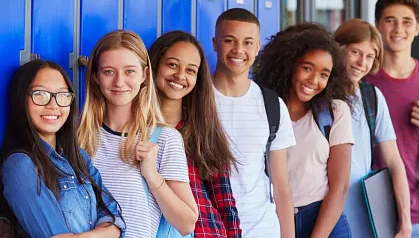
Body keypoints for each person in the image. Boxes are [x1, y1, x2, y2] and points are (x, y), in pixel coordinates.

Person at [78, 30, 198, 238]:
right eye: (108, 71)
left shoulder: (164, 139)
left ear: (144, 76)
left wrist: (152, 176)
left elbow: (187, 224)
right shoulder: (77, 135)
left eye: (129, 71)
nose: (119, 82)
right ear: (96, 76)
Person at [1, 59, 125, 237]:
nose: (53, 105)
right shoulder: (21, 165)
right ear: (22, 99)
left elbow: (115, 218)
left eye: (62, 95)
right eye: (40, 95)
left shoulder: (79, 157)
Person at [254, 22, 354, 238]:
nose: (314, 80)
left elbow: (339, 187)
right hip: (273, 218)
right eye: (307, 68)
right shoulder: (262, 107)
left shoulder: (334, 112)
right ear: (289, 65)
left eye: (323, 74)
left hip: (323, 220)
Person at [366, 0, 419, 237]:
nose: (398, 29)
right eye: (390, 20)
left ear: (418, 28)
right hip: (372, 211)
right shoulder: (364, 82)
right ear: (378, 25)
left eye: (406, 22)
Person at [211, 8, 296, 238]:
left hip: (262, 229)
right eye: (230, 40)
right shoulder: (195, 99)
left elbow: (281, 186)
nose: (239, 50)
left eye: (248, 42)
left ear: (257, 47)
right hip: (209, 229)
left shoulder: (272, 105)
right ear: (215, 43)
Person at [148, 30, 241, 238]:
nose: (180, 76)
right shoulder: (133, 129)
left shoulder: (203, 129)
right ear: (154, 65)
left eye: (191, 70)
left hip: (206, 232)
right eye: (172, 64)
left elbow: (224, 201)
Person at [335, 18, 412, 238]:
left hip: (364, 209)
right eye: (355, 52)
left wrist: (404, 222)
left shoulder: (372, 97)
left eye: (370, 56)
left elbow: (394, 162)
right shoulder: (321, 94)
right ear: (339, 49)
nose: (362, 62)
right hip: (323, 207)